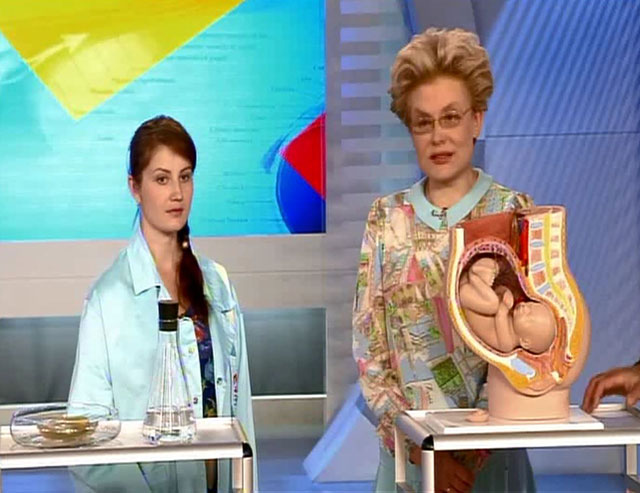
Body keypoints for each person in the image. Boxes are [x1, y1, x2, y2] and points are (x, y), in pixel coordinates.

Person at [352, 28, 537, 492]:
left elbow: (527, 348)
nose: (439, 136)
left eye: (451, 118)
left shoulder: (513, 212)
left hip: (490, 461)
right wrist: (423, 452)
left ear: (477, 120)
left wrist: (465, 455)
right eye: (423, 123)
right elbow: (369, 352)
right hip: (408, 460)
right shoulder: (385, 217)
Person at [68, 115, 256, 492]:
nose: (177, 193)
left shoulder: (217, 284)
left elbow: (242, 418)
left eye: (185, 177)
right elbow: (86, 434)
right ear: (134, 188)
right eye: (162, 179)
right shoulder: (109, 299)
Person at [459, 257, 556, 354]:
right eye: (530, 305)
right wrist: (504, 291)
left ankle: (473, 275)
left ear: (525, 342)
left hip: (467, 298)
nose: (524, 307)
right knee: (495, 269)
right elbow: (498, 292)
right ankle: (481, 270)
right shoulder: (511, 319)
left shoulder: (507, 345)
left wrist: (506, 303)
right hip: (474, 294)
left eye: (529, 317)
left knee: (493, 305)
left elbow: (500, 314)